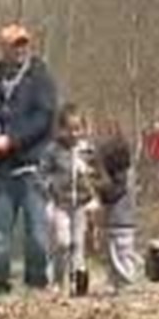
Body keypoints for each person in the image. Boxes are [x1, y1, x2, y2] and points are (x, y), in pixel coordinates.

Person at [0, 23, 59, 294]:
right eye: (15, 45)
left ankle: (37, 284)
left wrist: (12, 140)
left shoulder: (40, 79)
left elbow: (43, 119)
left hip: (33, 168)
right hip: (1, 172)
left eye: (24, 44)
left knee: (37, 236)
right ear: (3, 49)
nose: (21, 49)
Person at [42, 105, 96, 293]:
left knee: (78, 244)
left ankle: (77, 283)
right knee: (63, 242)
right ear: (61, 129)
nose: (74, 133)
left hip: (80, 203)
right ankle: (57, 279)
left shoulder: (86, 149)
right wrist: (50, 189)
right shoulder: (53, 150)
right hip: (61, 203)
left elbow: (95, 174)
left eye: (77, 129)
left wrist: (92, 194)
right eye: (70, 129)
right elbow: (42, 174)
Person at [91, 135, 141, 289]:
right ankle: (116, 280)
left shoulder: (122, 177)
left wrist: (98, 188)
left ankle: (127, 280)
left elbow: (112, 195)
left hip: (121, 223)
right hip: (122, 223)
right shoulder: (129, 174)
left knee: (121, 253)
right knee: (116, 253)